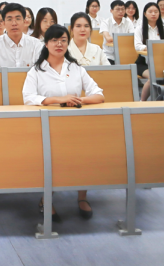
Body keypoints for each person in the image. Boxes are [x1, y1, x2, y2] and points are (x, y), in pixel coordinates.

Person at [23, 24, 104, 221]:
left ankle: (82, 197)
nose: (59, 44)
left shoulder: (76, 68)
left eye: (63, 40)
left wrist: (78, 100)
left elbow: (99, 95)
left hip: (76, 124)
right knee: (51, 162)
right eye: (54, 40)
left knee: (83, 159)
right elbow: (28, 98)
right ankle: (47, 199)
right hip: (47, 126)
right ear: (46, 44)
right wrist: (57, 100)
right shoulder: (36, 70)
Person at [0, 4, 43, 68]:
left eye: (18, 19)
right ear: (4, 23)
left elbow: (41, 70)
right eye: (9, 19)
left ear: (24, 22)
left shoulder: (36, 44)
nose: (14, 23)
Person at [134, 3, 164, 102]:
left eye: (156, 12)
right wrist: (153, 48)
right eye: (150, 12)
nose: (153, 14)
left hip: (161, 62)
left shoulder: (163, 29)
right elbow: (138, 46)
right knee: (152, 76)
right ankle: (142, 101)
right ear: (145, 14)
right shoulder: (140, 29)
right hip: (143, 63)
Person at [100, 0, 135, 65]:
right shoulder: (105, 22)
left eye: (123, 9)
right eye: (118, 9)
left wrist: (118, 39)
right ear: (111, 11)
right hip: (109, 55)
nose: (121, 11)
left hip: (125, 54)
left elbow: (132, 37)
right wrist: (125, 39)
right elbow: (108, 39)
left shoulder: (128, 22)